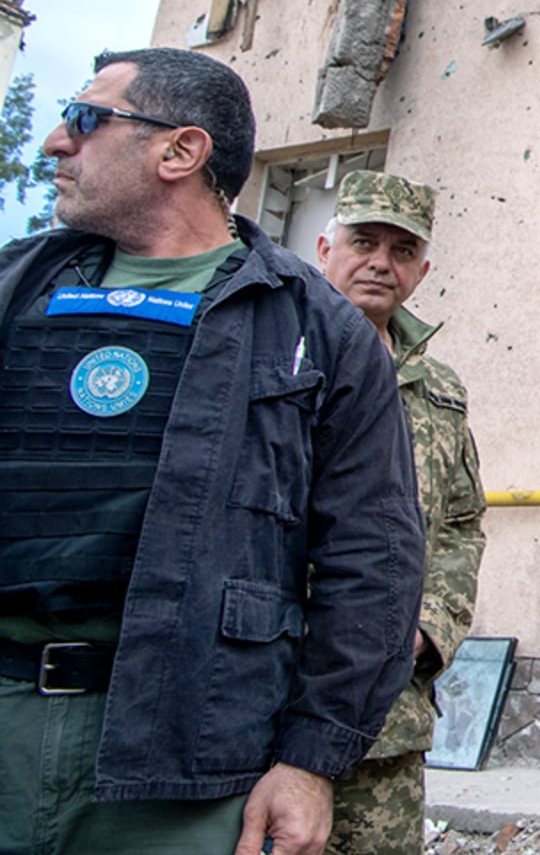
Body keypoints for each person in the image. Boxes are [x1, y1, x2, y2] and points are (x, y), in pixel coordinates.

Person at [0, 48, 424, 855]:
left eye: (87, 119)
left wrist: (310, 760)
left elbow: (373, 560)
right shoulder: (14, 290)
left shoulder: (314, 331)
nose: (58, 141)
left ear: (179, 152)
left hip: (185, 759)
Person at [316, 170, 487, 855]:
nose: (380, 263)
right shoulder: (276, 358)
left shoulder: (437, 388)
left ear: (422, 269)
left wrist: (430, 627)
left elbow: (460, 523)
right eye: (364, 242)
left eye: (401, 249)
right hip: (269, 697)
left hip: (387, 713)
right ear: (325, 247)